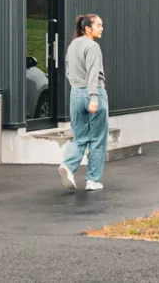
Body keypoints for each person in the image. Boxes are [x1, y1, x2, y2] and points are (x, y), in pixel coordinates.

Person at [58, 13, 108, 191]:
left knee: (80, 138)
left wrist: (76, 87)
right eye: (99, 25)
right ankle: (92, 180)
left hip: (75, 94)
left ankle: (68, 167)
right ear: (88, 29)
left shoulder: (73, 46)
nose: (102, 28)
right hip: (93, 93)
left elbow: (68, 70)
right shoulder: (92, 46)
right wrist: (94, 97)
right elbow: (93, 73)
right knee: (98, 139)